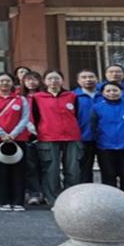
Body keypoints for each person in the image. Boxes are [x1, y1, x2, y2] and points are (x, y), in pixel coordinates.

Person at [31, 70, 82, 206]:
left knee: (73, 169)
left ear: (62, 80)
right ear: (44, 81)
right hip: (48, 137)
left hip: (72, 136)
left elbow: (78, 114)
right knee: (51, 169)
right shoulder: (37, 97)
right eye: (50, 78)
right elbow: (34, 117)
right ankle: (53, 199)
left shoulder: (72, 96)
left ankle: (71, 198)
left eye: (56, 78)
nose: (53, 81)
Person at [0, 72, 31, 212]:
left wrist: (14, 134)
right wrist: (1, 133)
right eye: (2, 81)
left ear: (12, 83)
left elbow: (25, 118)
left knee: (18, 171)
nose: (4, 83)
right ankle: (3, 201)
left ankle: (18, 201)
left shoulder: (21, 99)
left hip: (18, 139)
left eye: (7, 81)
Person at [90, 82, 124, 195]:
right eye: (108, 91)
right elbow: (93, 125)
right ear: (102, 93)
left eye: (115, 90)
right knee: (108, 175)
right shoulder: (97, 108)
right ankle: (110, 199)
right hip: (105, 146)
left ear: (121, 92)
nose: (112, 93)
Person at [20, 71, 44, 205]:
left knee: (45, 165)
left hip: (46, 134)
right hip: (27, 135)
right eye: (28, 80)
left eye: (35, 79)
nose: (31, 82)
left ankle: (46, 192)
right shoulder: (20, 97)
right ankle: (34, 193)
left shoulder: (45, 96)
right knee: (30, 166)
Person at [73, 69, 100, 184]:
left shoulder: (105, 94)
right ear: (78, 81)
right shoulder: (73, 96)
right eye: (84, 77)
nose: (88, 79)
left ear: (97, 79)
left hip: (105, 138)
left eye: (91, 77)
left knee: (109, 170)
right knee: (84, 169)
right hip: (83, 137)